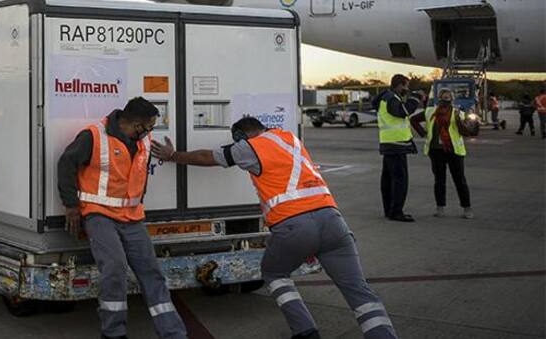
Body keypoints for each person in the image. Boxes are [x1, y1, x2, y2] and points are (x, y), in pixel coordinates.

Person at [153, 117, 398, 339]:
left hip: (293, 226)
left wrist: (172, 155)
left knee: (274, 273)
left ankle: (305, 331)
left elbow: (207, 157)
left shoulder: (251, 146)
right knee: (358, 290)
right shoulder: (290, 138)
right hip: (333, 221)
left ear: (241, 136)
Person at [57, 97, 186, 339]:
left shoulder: (143, 139)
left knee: (151, 272)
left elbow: (140, 173)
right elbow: (66, 164)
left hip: (132, 217)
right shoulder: (93, 136)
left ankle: (173, 333)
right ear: (137, 125)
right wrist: (71, 206)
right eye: (149, 126)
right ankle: (113, 332)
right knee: (115, 268)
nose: (150, 131)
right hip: (99, 215)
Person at [410, 89, 475, 218]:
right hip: (436, 151)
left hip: (454, 151)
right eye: (443, 97)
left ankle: (467, 208)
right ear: (438, 99)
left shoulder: (457, 113)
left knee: (460, 180)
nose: (445, 100)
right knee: (439, 180)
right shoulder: (430, 111)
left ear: (452, 99)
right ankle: (440, 207)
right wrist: (423, 133)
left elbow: (466, 132)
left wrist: (459, 120)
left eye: (448, 97)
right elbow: (413, 120)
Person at [376, 75, 418, 222]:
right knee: (400, 180)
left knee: (388, 179)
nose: (407, 89)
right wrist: (415, 99)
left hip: (389, 143)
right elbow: (402, 112)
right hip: (397, 144)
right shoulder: (391, 98)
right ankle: (396, 211)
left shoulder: (385, 98)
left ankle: (389, 209)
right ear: (399, 85)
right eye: (406, 86)